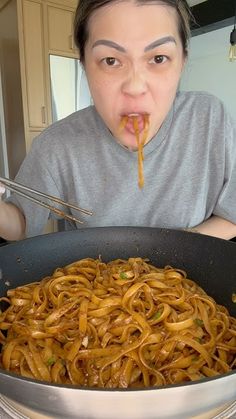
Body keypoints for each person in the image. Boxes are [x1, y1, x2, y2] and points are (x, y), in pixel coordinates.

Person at [0, 0, 236, 241]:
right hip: (95, 276)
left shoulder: (209, 120)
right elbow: (21, 222)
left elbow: (232, 215)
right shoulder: (57, 145)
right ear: (83, 63)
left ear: (183, 60)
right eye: (110, 61)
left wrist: (169, 254)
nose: (134, 87)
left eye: (158, 58)